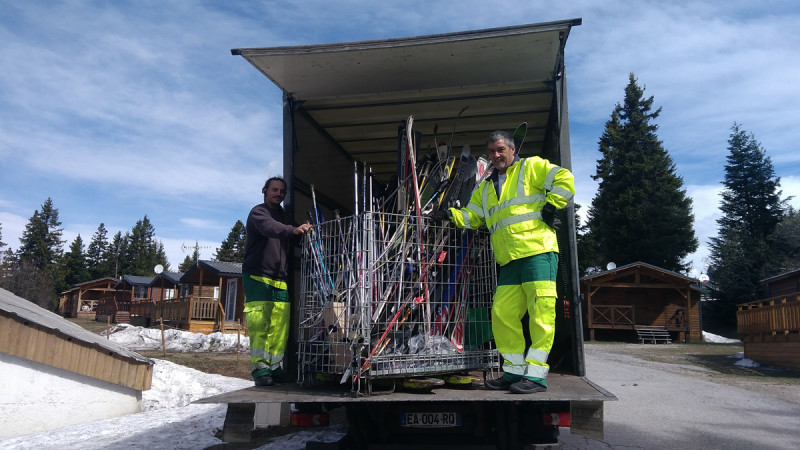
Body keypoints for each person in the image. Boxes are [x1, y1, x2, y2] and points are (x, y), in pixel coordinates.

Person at [433, 130, 575, 394]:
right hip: (509, 260)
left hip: (538, 252)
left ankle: (536, 377)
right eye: (491, 151)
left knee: (541, 314)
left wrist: (553, 203)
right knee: (502, 314)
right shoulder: (486, 188)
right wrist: (449, 215)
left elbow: (564, 178)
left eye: (500, 150)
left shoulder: (531, 167)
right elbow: (473, 217)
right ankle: (513, 372)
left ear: (512, 149)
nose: (496, 155)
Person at [243, 176, 311, 387]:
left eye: (282, 191)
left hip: (280, 278)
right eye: (274, 190)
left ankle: (274, 367)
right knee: (260, 324)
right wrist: (292, 229)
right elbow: (271, 228)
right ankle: (260, 370)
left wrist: (307, 232)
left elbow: (294, 234)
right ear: (265, 190)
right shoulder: (258, 213)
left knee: (280, 327)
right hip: (258, 276)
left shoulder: (284, 217)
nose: (278, 194)